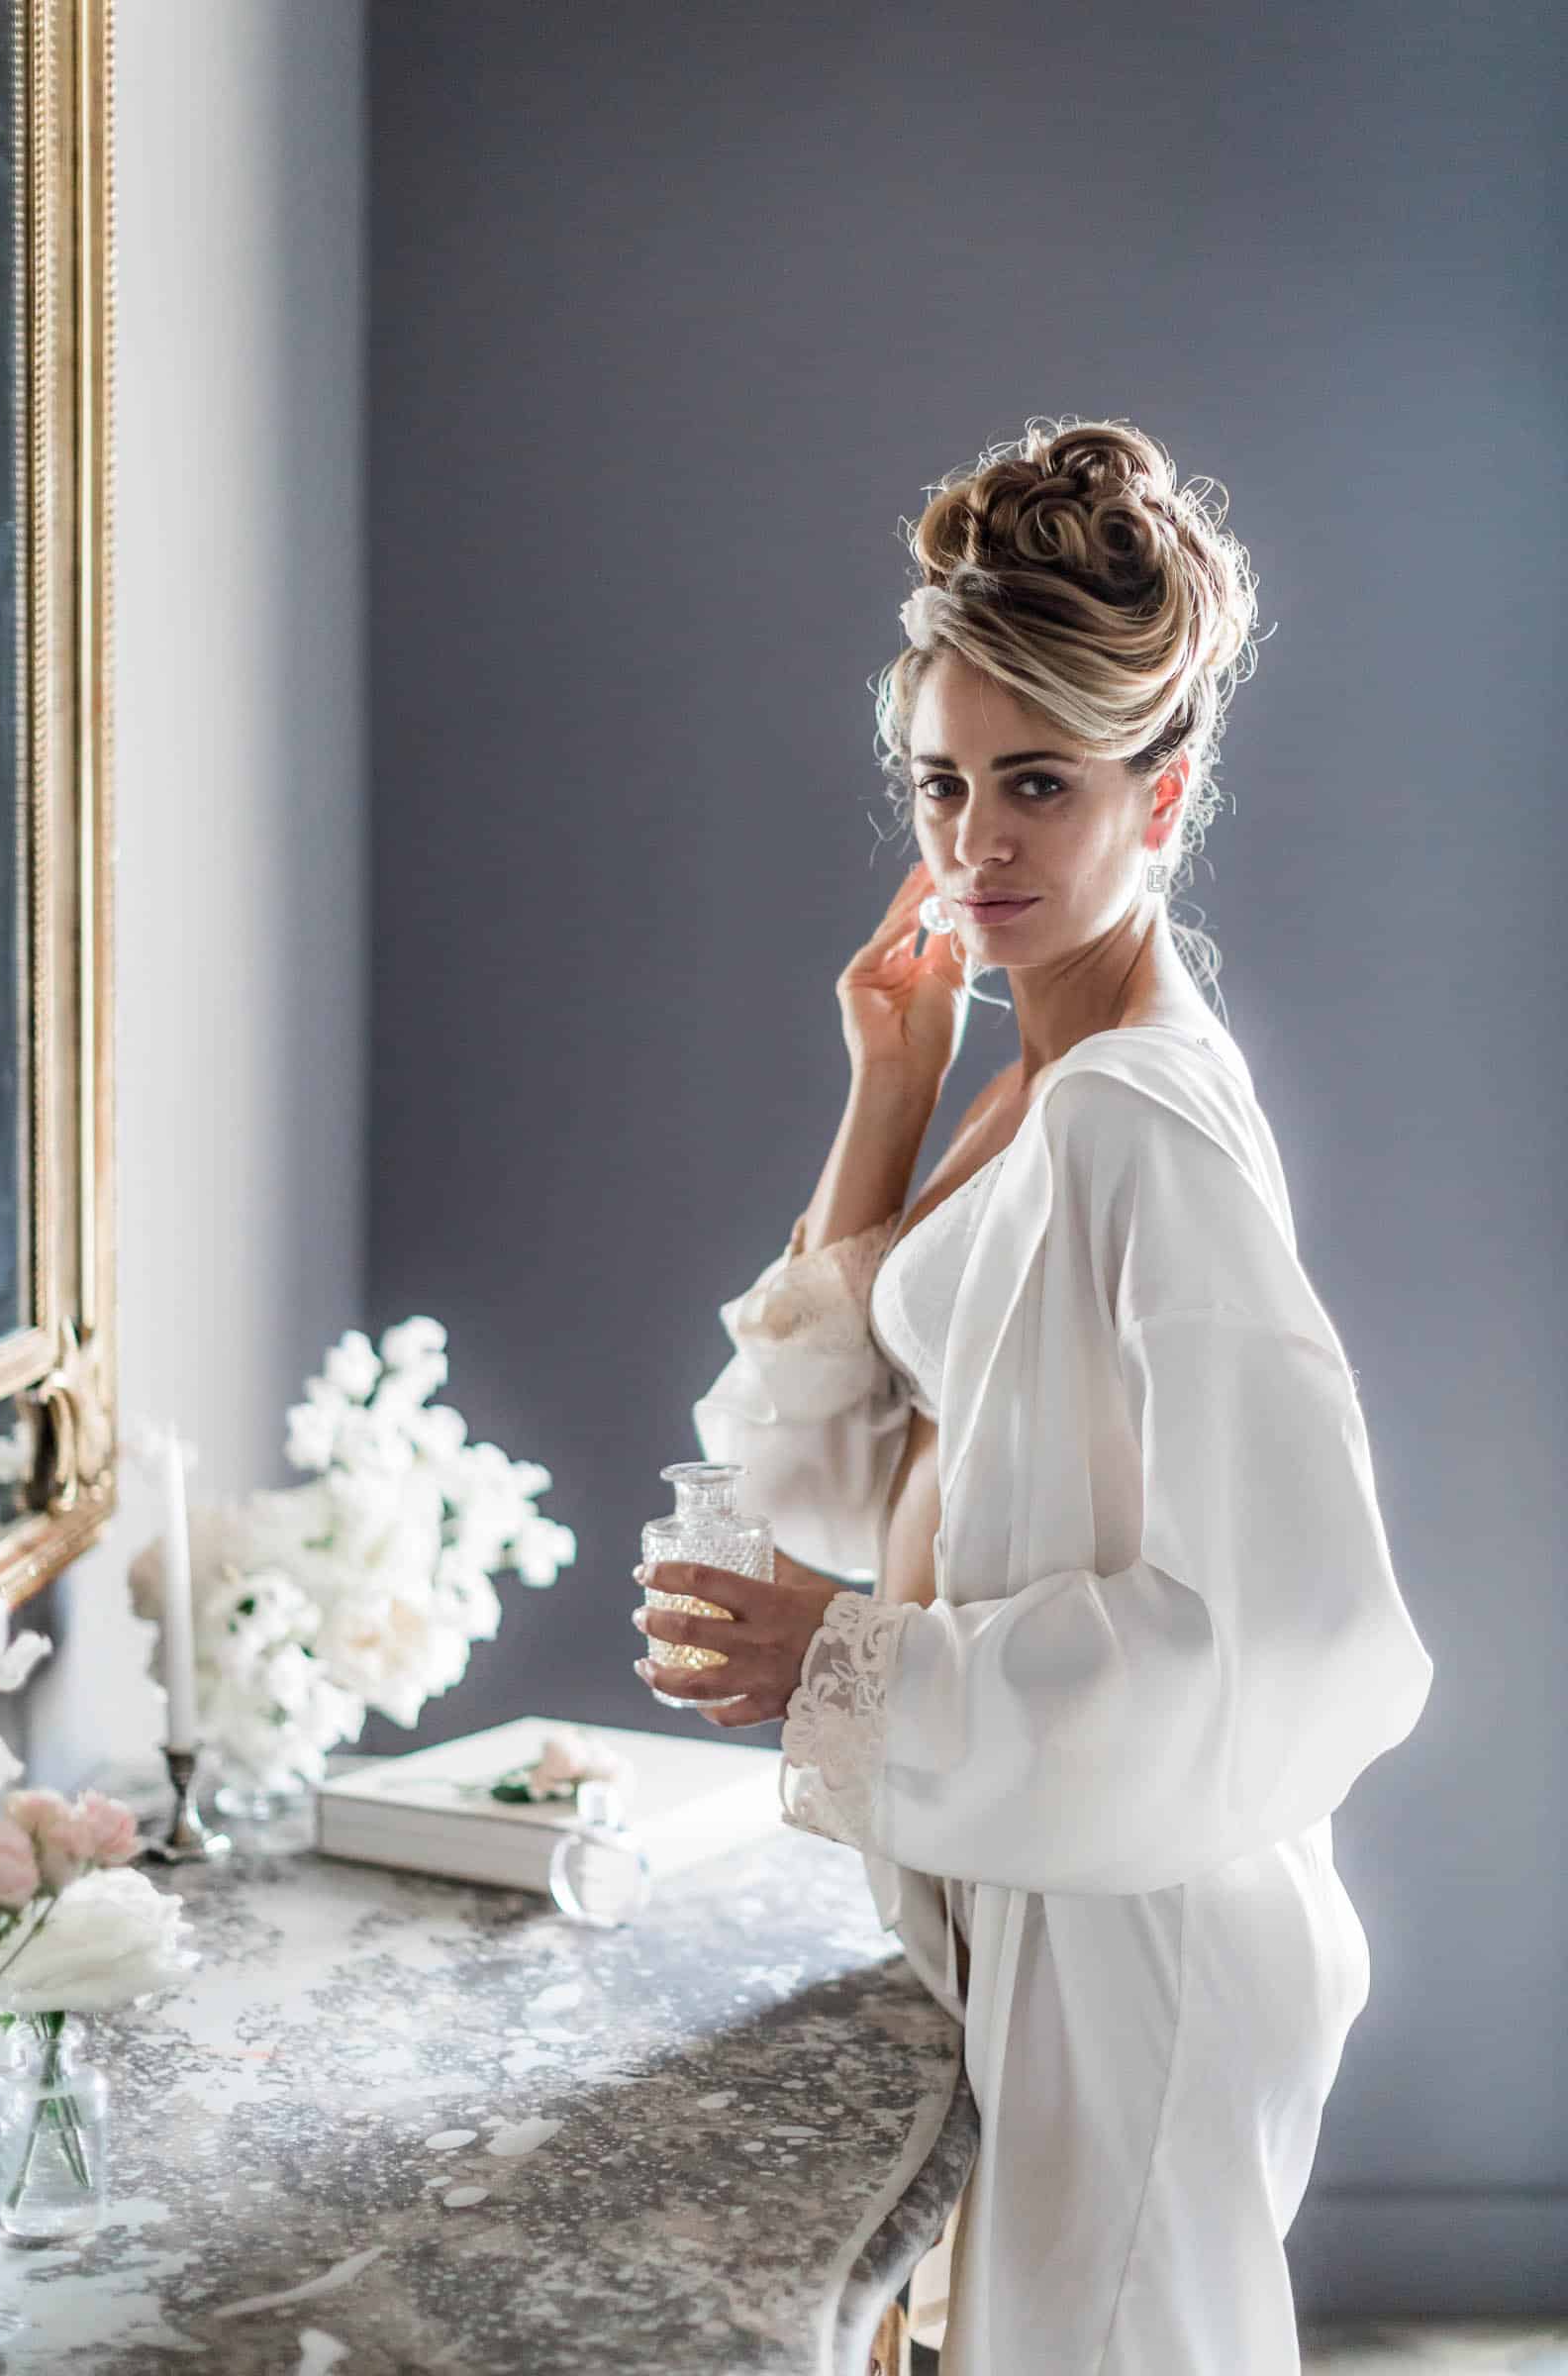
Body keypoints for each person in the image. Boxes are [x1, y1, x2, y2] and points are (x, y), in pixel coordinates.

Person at [629, 417, 1435, 2373]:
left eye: (1036, 788)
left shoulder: (1138, 1124)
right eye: (940, 785)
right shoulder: (1029, 1088)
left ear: (1156, 804)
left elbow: (1294, 1636)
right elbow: (853, 1478)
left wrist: (850, 1665)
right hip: (1039, 1899)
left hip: (1139, 1950)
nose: (970, 846)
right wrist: (880, 1099)